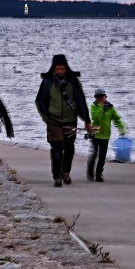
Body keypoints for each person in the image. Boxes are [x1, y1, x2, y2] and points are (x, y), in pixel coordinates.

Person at [34, 54, 91, 188]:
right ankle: (57, 176)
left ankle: (66, 172)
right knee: (56, 148)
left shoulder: (73, 81)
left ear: (66, 68)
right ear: (53, 68)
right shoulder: (47, 81)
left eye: (62, 69)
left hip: (71, 120)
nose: (60, 71)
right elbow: (40, 100)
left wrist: (87, 120)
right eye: (57, 69)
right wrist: (46, 117)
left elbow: (80, 101)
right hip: (53, 120)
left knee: (69, 148)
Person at [86, 87, 127, 182]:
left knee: (102, 156)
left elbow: (117, 119)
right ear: (95, 98)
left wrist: (121, 129)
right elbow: (96, 118)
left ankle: (99, 174)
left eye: (101, 96)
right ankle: (90, 170)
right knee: (94, 153)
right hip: (95, 133)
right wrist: (102, 109)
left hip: (105, 135)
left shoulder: (111, 108)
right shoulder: (94, 106)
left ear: (106, 97)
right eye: (98, 97)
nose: (100, 98)